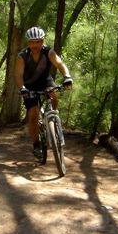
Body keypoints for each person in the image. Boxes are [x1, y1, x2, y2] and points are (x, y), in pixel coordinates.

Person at [15, 26, 73, 159]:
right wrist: (22, 88)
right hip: (28, 86)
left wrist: (67, 76)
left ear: (42, 41)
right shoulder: (22, 56)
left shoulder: (48, 52)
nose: (35, 45)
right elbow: (18, 75)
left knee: (54, 95)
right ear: (28, 43)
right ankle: (36, 145)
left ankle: (53, 117)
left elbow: (60, 64)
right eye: (32, 42)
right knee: (33, 114)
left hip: (45, 82)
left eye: (38, 41)